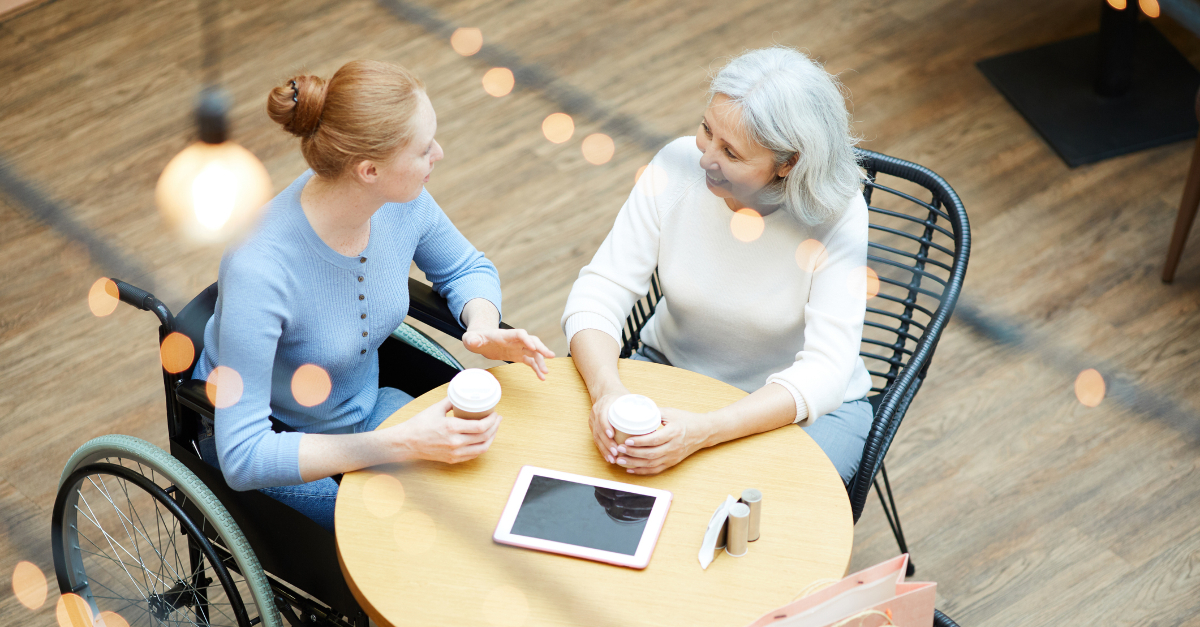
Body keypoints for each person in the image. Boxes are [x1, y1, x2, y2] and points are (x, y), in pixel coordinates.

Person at [193, 60, 555, 531]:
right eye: (424, 149)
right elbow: (245, 456)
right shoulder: (259, 269)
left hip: (367, 413)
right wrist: (403, 443)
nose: (439, 154)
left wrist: (482, 327)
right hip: (283, 443)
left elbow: (467, 267)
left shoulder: (400, 203)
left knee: (484, 489)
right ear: (369, 169)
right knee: (407, 533)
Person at [562, 46, 872, 483]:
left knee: (759, 516)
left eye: (732, 152)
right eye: (706, 131)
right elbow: (600, 291)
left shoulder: (838, 215)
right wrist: (606, 392)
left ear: (788, 163)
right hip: (671, 369)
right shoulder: (676, 166)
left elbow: (825, 372)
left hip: (800, 408)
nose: (706, 158)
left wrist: (705, 431)